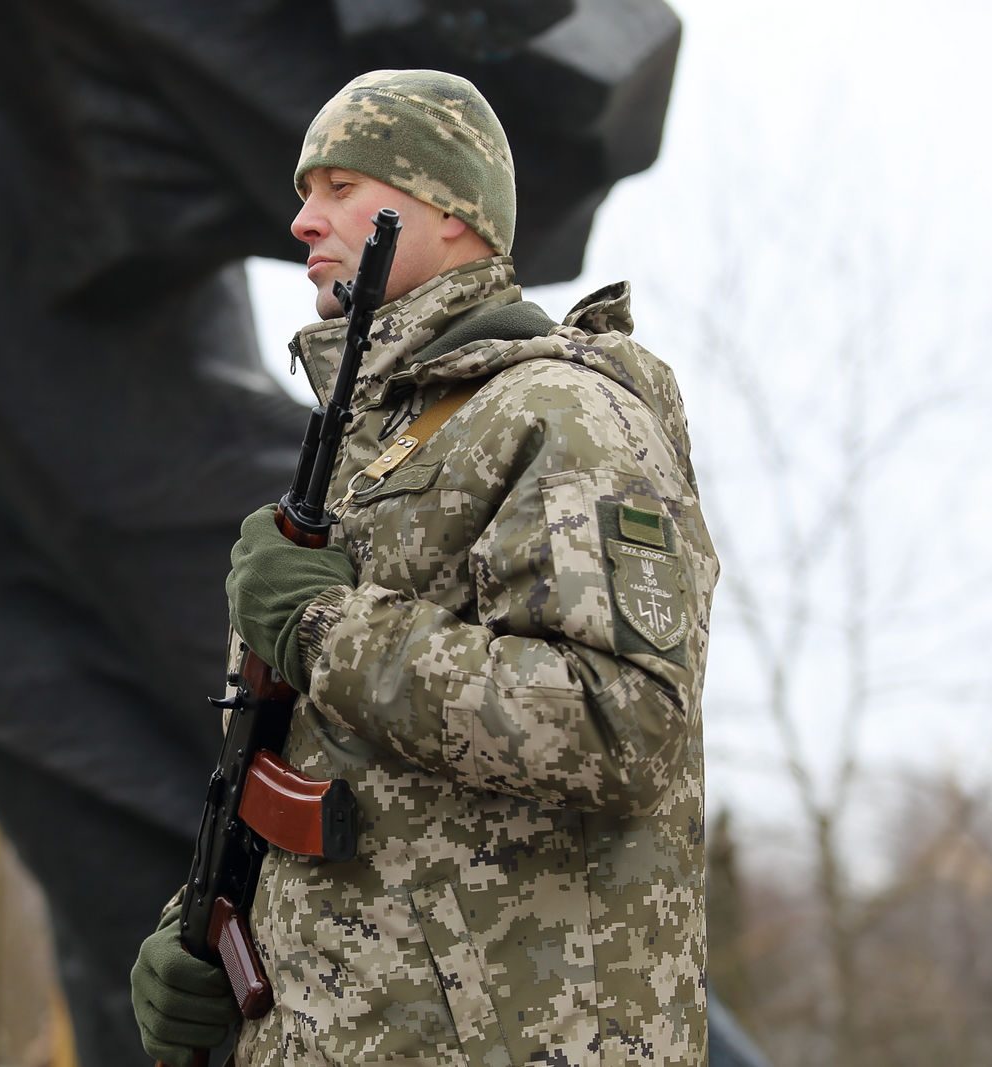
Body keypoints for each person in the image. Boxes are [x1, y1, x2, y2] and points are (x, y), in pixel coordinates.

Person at [131, 69, 718, 1066]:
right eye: (305, 191)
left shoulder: (563, 414)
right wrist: (205, 915)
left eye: (341, 186)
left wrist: (328, 629)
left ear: (450, 211)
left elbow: (622, 723)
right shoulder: (368, 449)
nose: (302, 220)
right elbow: (309, 756)